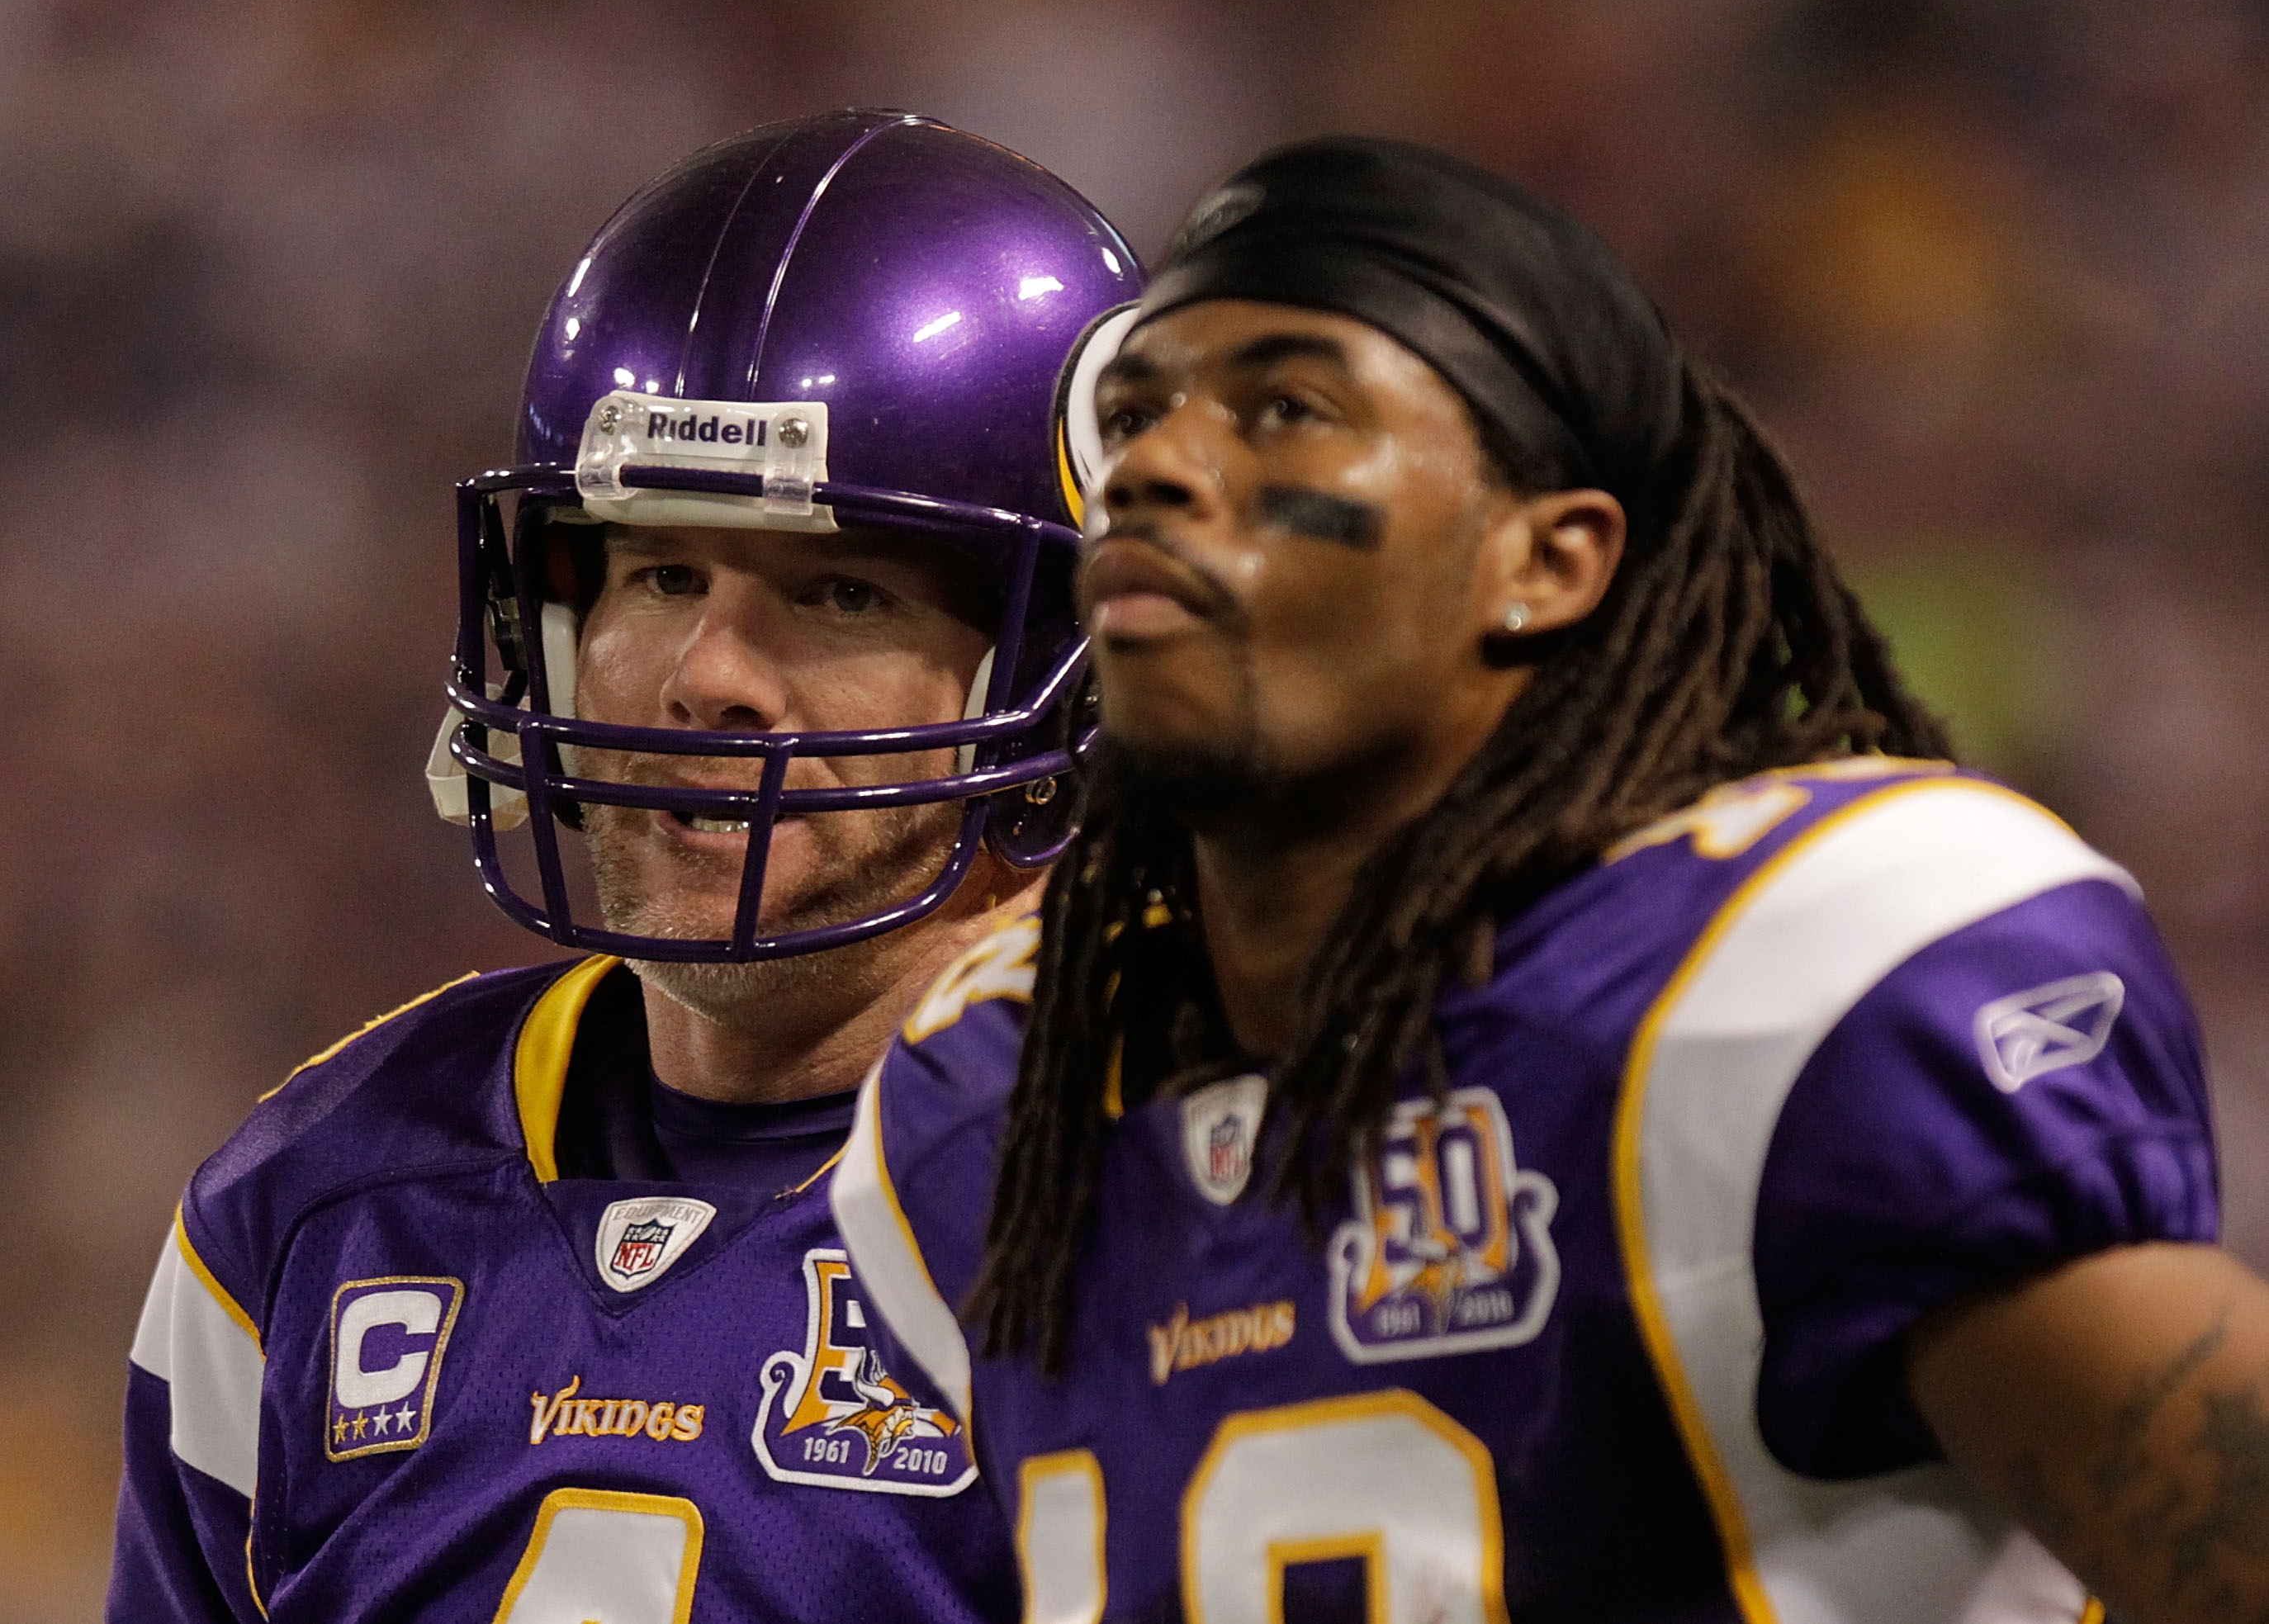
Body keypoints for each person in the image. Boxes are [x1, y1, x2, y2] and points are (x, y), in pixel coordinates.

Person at [835, 136, 2269, 1624]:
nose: (1157, 469)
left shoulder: (1788, 984)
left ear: (1548, 558)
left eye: (1287, 409)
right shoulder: (994, 1091)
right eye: (1134, 415)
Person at [109, 109, 1141, 1622]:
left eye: (841, 588)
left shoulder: (1191, 1204)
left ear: (1061, 675)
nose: (709, 674)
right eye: (661, 571)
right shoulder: (308, 1207)